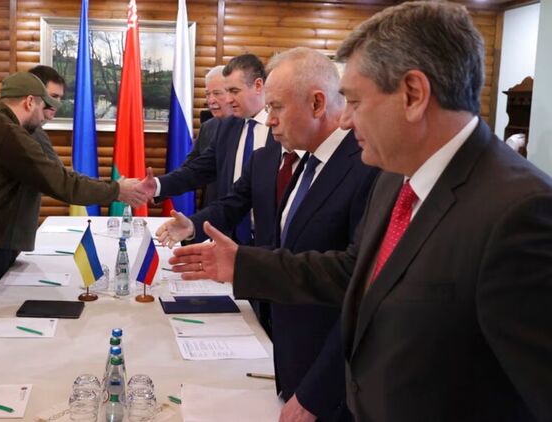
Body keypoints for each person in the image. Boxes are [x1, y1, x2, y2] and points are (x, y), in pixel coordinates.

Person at [169, 2, 552, 421]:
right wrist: (243, 263)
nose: (346, 120)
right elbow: (355, 275)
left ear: (413, 95)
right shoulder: (394, 178)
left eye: (354, 100)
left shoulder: (521, 211)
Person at [157, 47, 378, 421]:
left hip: (333, 385)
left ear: (317, 103)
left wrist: (317, 392)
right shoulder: (304, 160)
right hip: (291, 359)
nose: (269, 120)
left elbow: (359, 290)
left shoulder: (366, 168)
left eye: (276, 108)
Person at [0, 71, 149, 391]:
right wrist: (118, 190)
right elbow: (61, 182)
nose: (48, 112)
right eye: (45, 105)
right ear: (29, 102)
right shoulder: (4, 132)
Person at [140, 53, 275, 333]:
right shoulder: (226, 126)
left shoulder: (281, 129)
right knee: (235, 326)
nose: (227, 100)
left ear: (258, 86)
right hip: (228, 237)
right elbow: (199, 170)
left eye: (233, 91)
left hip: (268, 246)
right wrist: (159, 186)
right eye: (226, 92)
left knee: (266, 325)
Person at [0, 65, 104, 308]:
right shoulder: (25, 133)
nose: (55, 105)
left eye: (59, 98)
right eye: (51, 97)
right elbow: (61, 182)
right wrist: (119, 190)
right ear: (32, 97)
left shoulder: (10, 126)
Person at [183, 65, 233, 209]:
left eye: (217, 93)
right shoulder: (207, 127)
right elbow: (191, 168)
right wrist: (157, 187)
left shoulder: (253, 127)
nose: (211, 100)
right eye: (207, 94)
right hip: (211, 210)